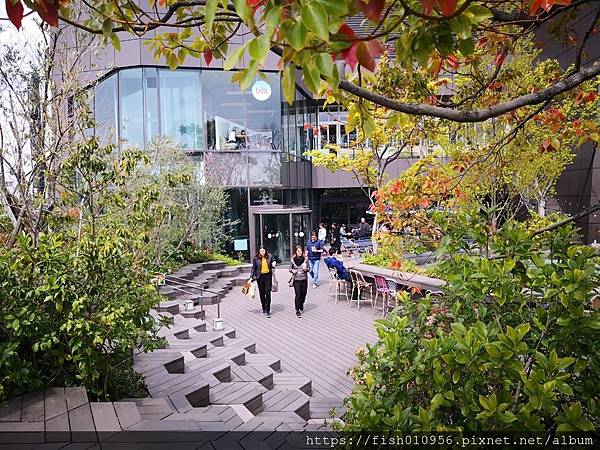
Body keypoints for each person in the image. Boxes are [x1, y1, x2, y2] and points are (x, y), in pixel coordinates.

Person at [251, 246, 276, 317]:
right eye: (261, 251)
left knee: (267, 292)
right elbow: (254, 268)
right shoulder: (256, 258)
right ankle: (263, 307)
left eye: (263, 251)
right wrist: (251, 277)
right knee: (262, 293)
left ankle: (268, 309)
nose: (262, 252)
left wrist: (274, 263)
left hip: (268, 276)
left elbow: (273, 262)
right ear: (259, 251)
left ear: (265, 251)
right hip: (260, 277)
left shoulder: (269, 256)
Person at [289, 245, 309, 317]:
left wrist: (306, 269)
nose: (299, 252)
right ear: (296, 252)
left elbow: (309, 268)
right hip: (296, 279)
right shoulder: (292, 259)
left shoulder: (306, 259)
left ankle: (301, 304)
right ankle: (297, 309)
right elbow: (290, 269)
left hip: (304, 279)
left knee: (304, 294)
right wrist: (292, 270)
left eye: (300, 251)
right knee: (298, 295)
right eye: (298, 251)